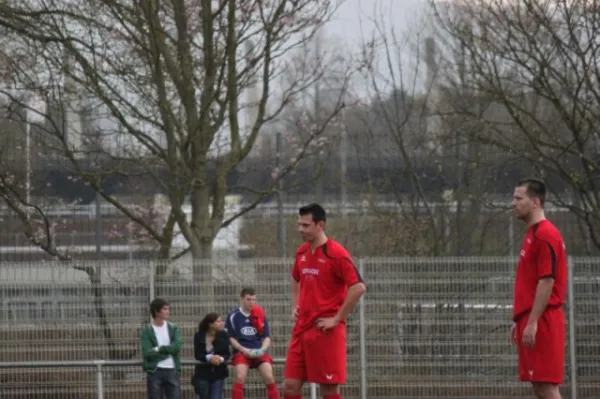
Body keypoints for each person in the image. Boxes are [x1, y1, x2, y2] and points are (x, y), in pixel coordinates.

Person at [282, 203, 367, 399]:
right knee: (290, 386)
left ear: (321, 225)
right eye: (299, 225)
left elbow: (358, 287)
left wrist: (337, 319)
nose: (300, 230)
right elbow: (295, 278)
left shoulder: (337, 253)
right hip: (302, 329)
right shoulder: (302, 252)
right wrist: (295, 305)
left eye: (306, 225)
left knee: (328, 390)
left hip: (326, 331)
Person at [510, 179, 567, 399]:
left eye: (518, 198)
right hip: (533, 318)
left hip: (544, 319)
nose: (513, 203)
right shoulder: (532, 233)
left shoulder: (546, 234)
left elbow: (547, 281)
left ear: (534, 202)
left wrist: (532, 321)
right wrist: (520, 319)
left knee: (546, 387)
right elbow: (530, 283)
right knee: (538, 386)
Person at [225, 287, 280, 399]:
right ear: (241, 299)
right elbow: (230, 338)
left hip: (258, 351)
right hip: (242, 351)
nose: (252, 302)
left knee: (269, 377)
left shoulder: (260, 314)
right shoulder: (233, 316)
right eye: (248, 299)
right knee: (240, 377)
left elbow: (267, 337)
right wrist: (243, 350)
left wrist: (262, 350)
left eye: (254, 299)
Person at [140, 298, 183, 399]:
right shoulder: (147, 331)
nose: (168, 311)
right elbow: (147, 352)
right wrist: (168, 350)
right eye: (165, 309)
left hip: (172, 369)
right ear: (156, 311)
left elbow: (177, 347)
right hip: (155, 371)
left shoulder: (173, 328)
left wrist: (158, 349)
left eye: (168, 309)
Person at [193, 312, 231, 399]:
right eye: (218, 321)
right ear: (210, 324)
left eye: (221, 321)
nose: (221, 323)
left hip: (218, 373)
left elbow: (227, 354)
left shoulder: (224, 335)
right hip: (202, 374)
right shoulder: (199, 335)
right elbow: (198, 354)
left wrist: (220, 359)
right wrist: (209, 357)